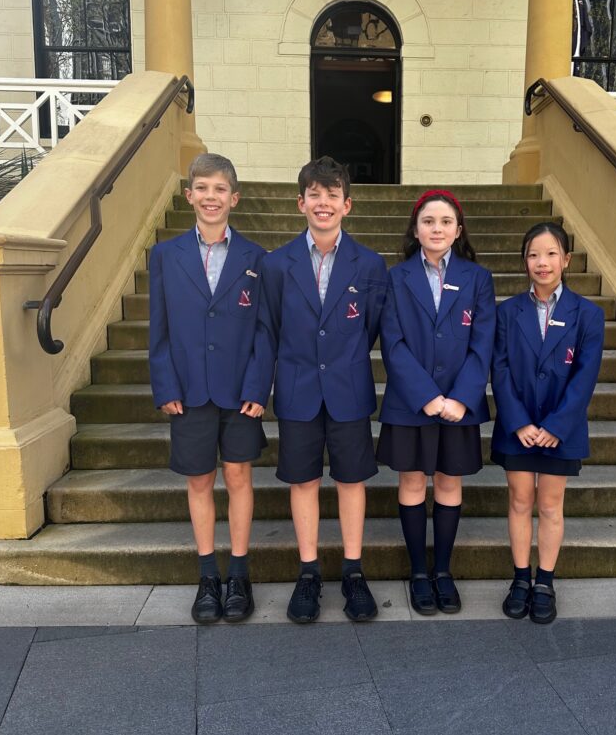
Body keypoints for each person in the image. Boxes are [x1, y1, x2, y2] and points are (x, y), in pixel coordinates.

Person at [243, 156, 387, 624]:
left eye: (333, 195)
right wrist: (259, 388)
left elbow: (370, 328)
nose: (323, 203)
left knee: (351, 480)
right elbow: (268, 330)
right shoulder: (276, 264)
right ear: (300, 202)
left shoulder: (369, 265)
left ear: (347, 204)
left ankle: (353, 571)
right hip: (298, 388)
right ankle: (308, 572)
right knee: (303, 481)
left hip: (348, 388)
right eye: (315, 195)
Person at [149, 153, 267, 625]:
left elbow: (264, 331)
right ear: (189, 195)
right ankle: (207, 576)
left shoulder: (256, 258)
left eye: (220, 189)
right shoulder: (166, 255)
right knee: (199, 480)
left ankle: (238, 573)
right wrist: (165, 384)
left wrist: (258, 385)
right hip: (189, 389)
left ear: (234, 198)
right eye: (202, 188)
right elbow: (158, 327)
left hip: (240, 392)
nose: (211, 197)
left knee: (238, 476)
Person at [377, 190, 495, 615]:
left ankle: (442, 571)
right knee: (411, 482)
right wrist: (426, 396)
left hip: (459, 405)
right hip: (411, 403)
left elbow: (483, 343)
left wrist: (462, 398)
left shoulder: (478, 278)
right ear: (415, 229)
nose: (437, 228)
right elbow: (392, 342)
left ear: (458, 230)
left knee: (448, 482)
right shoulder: (396, 278)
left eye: (446, 221)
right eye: (428, 221)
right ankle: (417, 573)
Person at [491, 221, 604, 625]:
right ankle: (521, 578)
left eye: (551, 254)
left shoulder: (588, 315)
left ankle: (545, 582)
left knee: (551, 505)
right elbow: (499, 370)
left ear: (566, 259)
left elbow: (585, 377)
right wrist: (518, 422)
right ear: (525, 262)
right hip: (517, 428)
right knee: (520, 501)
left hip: (562, 429)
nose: (543, 262)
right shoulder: (507, 313)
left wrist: (557, 425)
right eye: (534, 255)